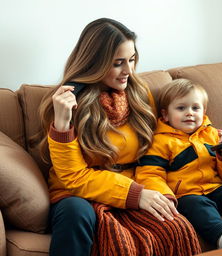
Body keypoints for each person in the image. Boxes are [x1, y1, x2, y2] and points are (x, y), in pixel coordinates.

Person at [38, 18, 201, 256]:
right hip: (79, 193)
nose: (129, 71)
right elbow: (73, 177)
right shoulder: (67, 101)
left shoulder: (139, 92)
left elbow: (154, 156)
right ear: (95, 62)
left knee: (175, 225)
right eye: (118, 63)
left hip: (135, 186)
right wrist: (62, 122)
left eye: (132, 60)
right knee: (75, 211)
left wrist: (156, 193)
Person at [136, 78, 222, 249]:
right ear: (165, 115)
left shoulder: (213, 135)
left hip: (215, 188)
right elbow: (150, 174)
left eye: (195, 108)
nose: (190, 113)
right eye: (181, 108)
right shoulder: (160, 142)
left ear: (203, 111)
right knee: (197, 207)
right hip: (187, 195)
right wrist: (165, 197)